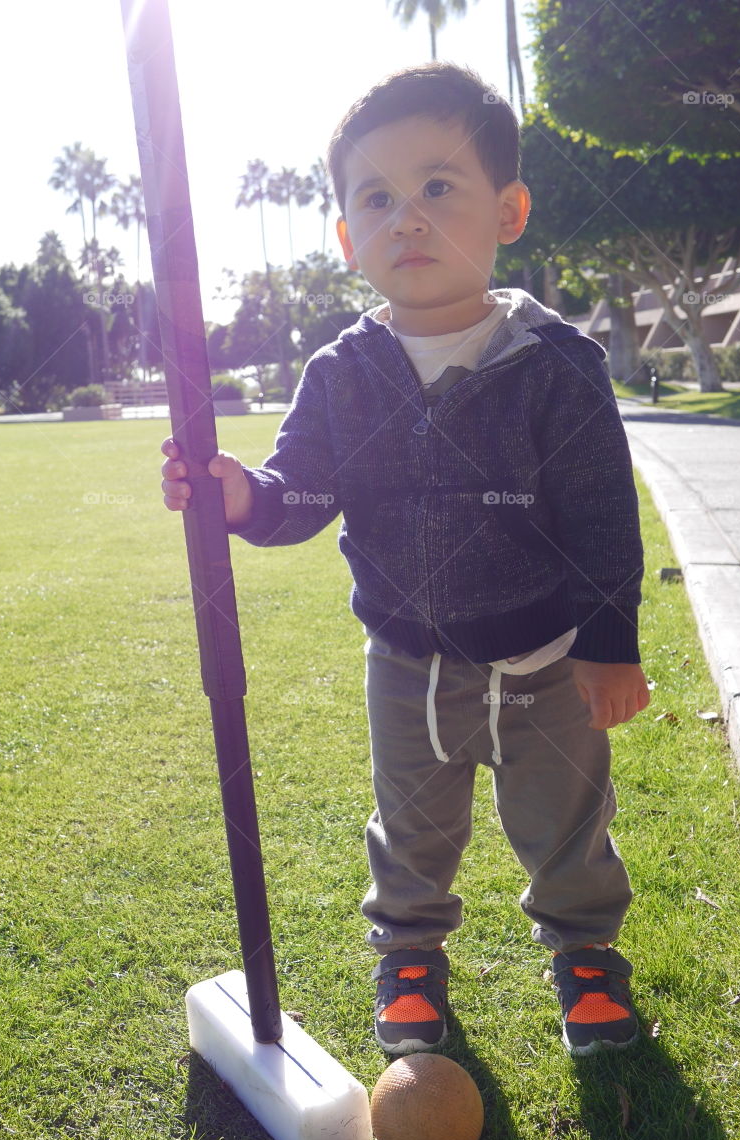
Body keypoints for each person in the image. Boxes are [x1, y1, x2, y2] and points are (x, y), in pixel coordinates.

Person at [160, 62, 651, 1058]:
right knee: (412, 829)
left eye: (438, 186)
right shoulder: (342, 373)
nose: (407, 218)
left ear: (508, 209)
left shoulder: (557, 363)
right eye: (376, 197)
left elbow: (602, 514)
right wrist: (242, 495)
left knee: (563, 818)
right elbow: (304, 488)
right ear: (346, 237)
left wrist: (609, 642)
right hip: (406, 662)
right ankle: (411, 958)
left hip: (547, 659)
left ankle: (585, 954)